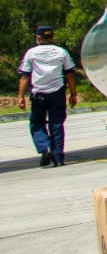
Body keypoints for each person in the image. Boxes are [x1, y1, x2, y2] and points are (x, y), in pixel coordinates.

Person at [17, 25, 78, 167]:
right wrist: (73, 94)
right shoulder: (62, 52)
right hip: (57, 92)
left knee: (37, 122)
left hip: (39, 93)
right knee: (56, 124)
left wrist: (20, 96)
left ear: (38, 37)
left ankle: (45, 147)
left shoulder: (31, 53)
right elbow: (69, 73)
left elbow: (25, 76)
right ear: (52, 36)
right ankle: (58, 158)